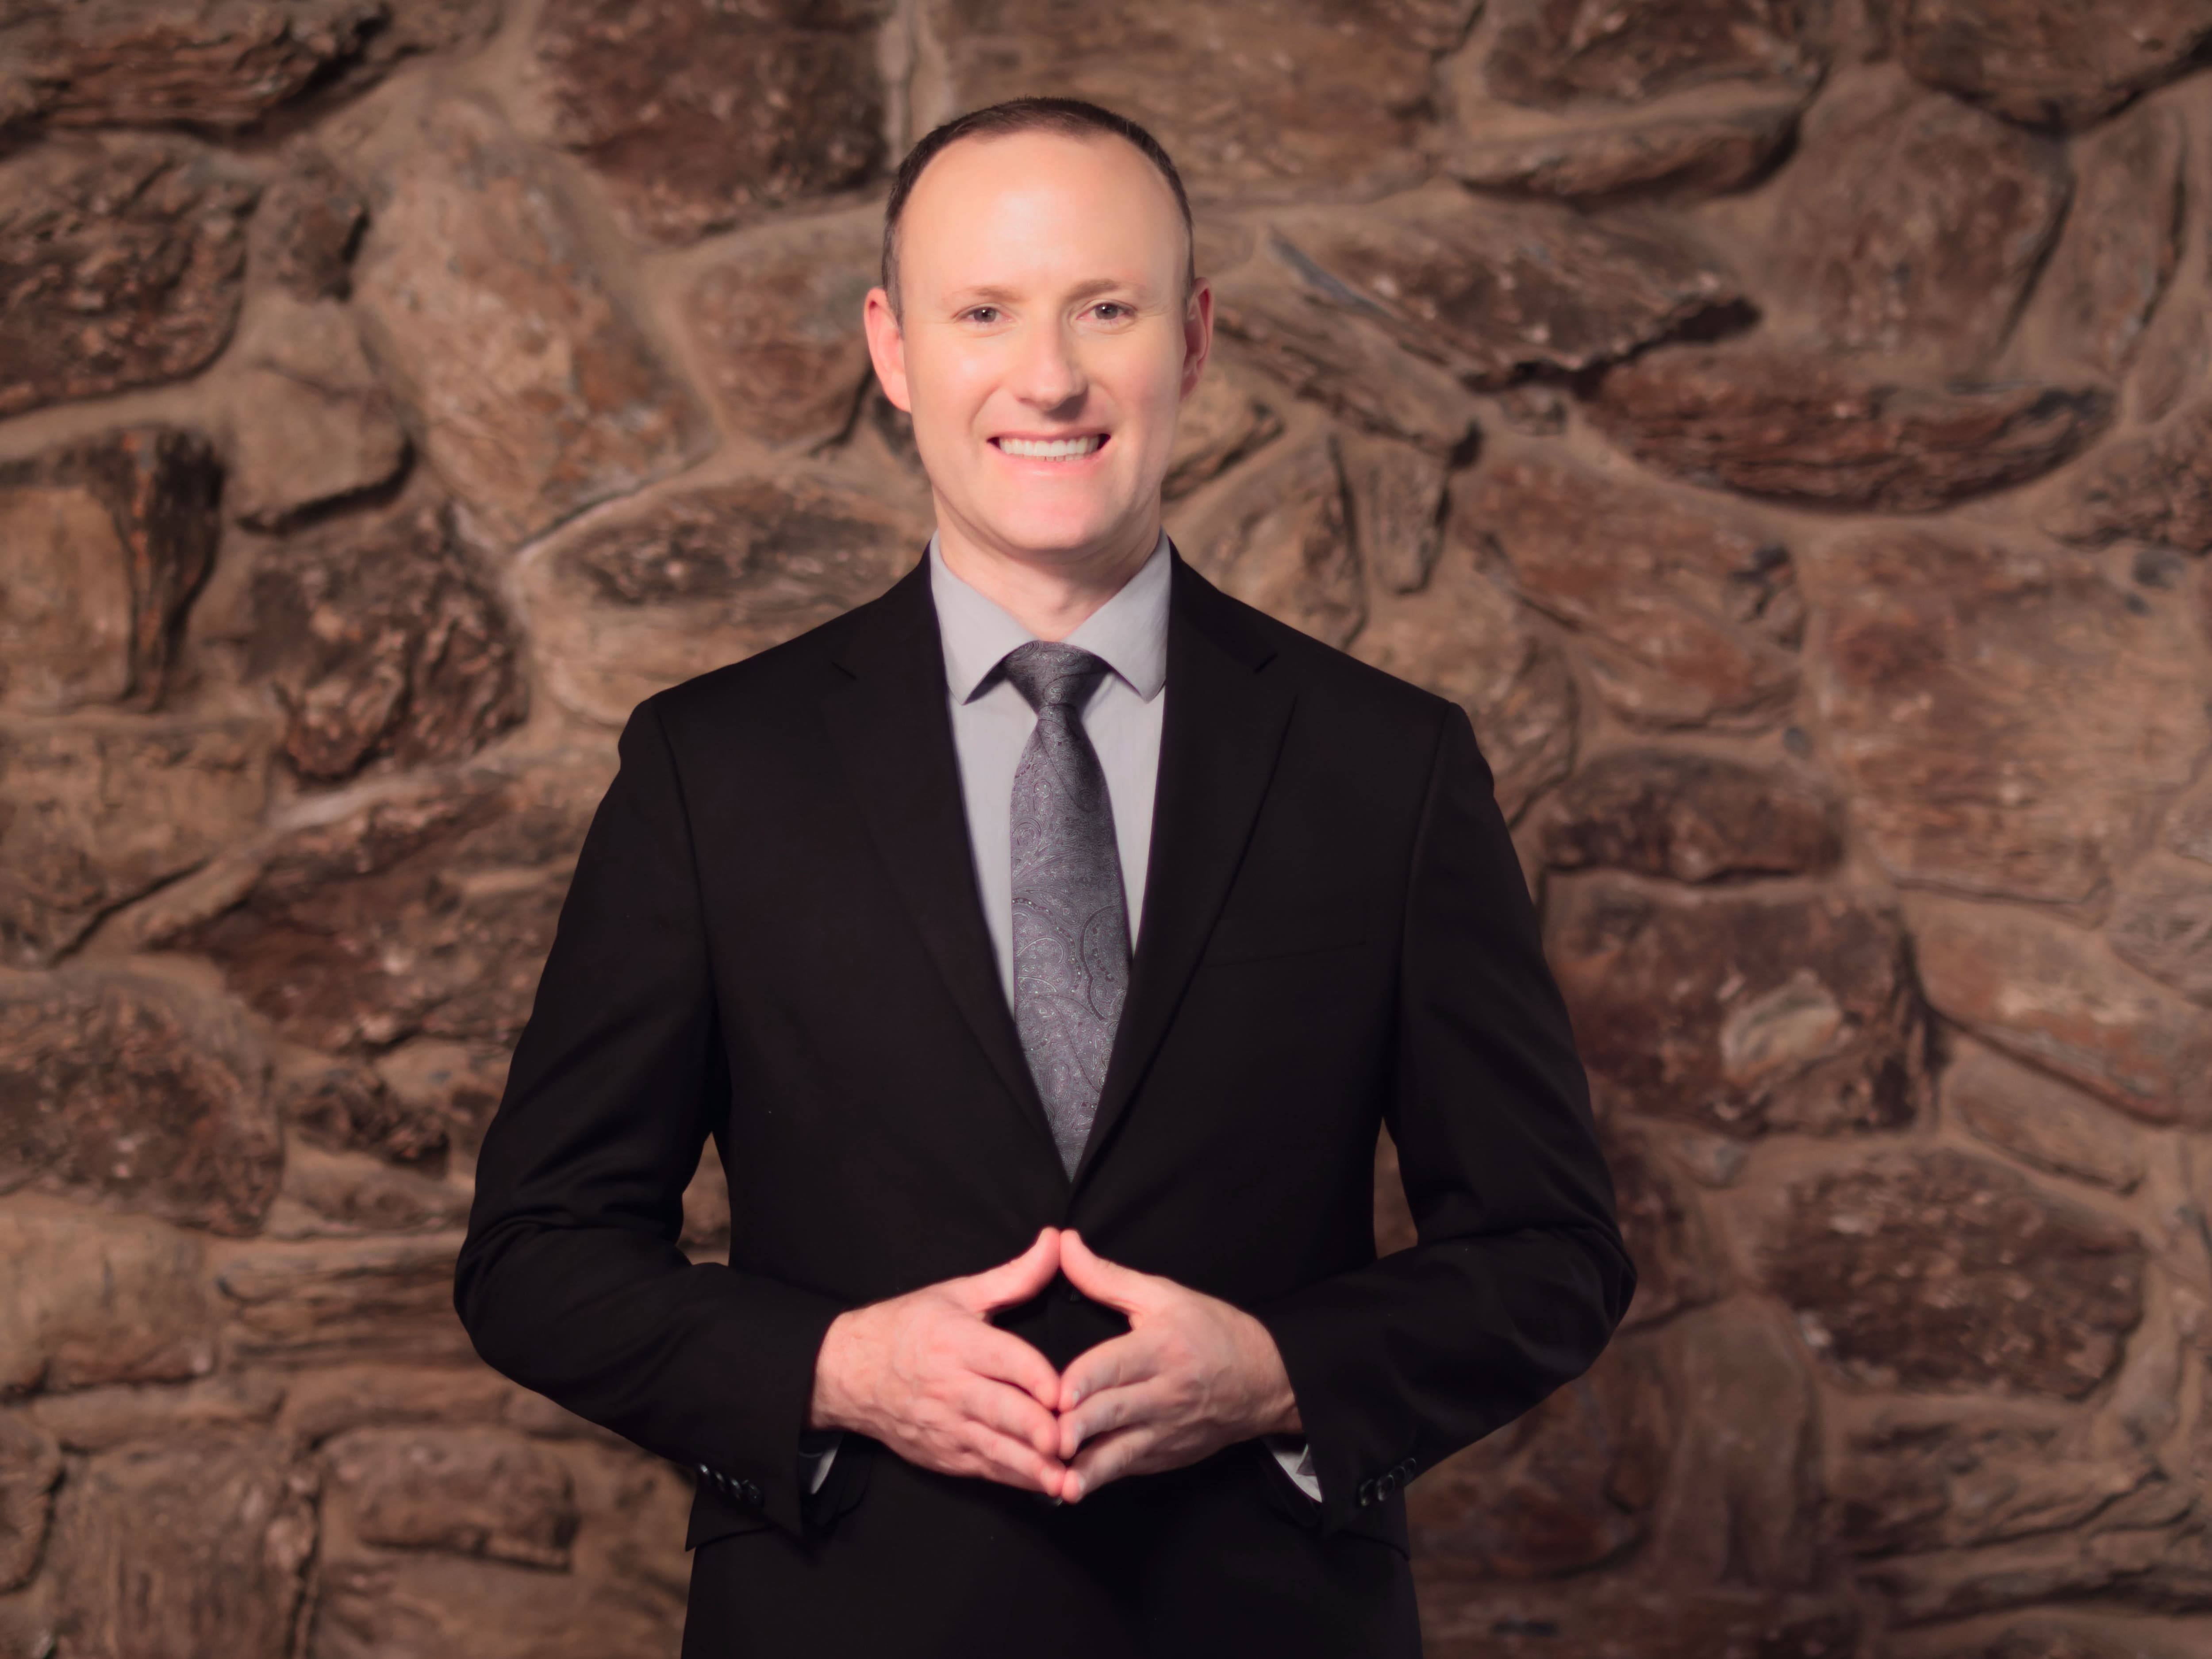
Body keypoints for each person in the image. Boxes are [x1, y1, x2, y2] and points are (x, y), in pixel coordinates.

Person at [453, 96, 1634, 1658]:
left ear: (1194, 338)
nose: (1052, 375)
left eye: (1107, 308)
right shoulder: (709, 768)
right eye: (985, 311)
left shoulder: (1389, 768)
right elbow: (536, 1256)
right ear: (893, 348)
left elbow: (1554, 1255)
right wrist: (833, 1369)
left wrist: (1283, 1369)